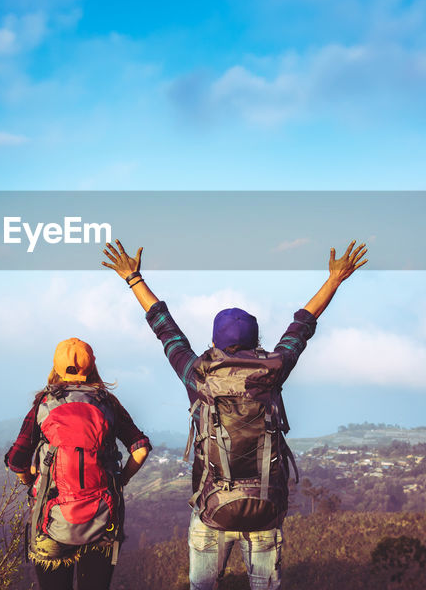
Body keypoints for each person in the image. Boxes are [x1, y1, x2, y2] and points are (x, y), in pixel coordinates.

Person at [102, 239, 367, 590]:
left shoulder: (198, 374)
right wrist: (334, 280)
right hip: (265, 506)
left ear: (214, 342)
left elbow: (165, 328)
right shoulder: (273, 368)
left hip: (210, 509)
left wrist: (133, 278)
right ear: (256, 340)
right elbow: (302, 326)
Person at [4, 337, 151, 590]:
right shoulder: (108, 403)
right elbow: (140, 449)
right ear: (92, 366)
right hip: (102, 520)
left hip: (51, 521)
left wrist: (31, 481)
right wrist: (121, 480)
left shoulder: (43, 404)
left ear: (56, 368)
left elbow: (17, 461)